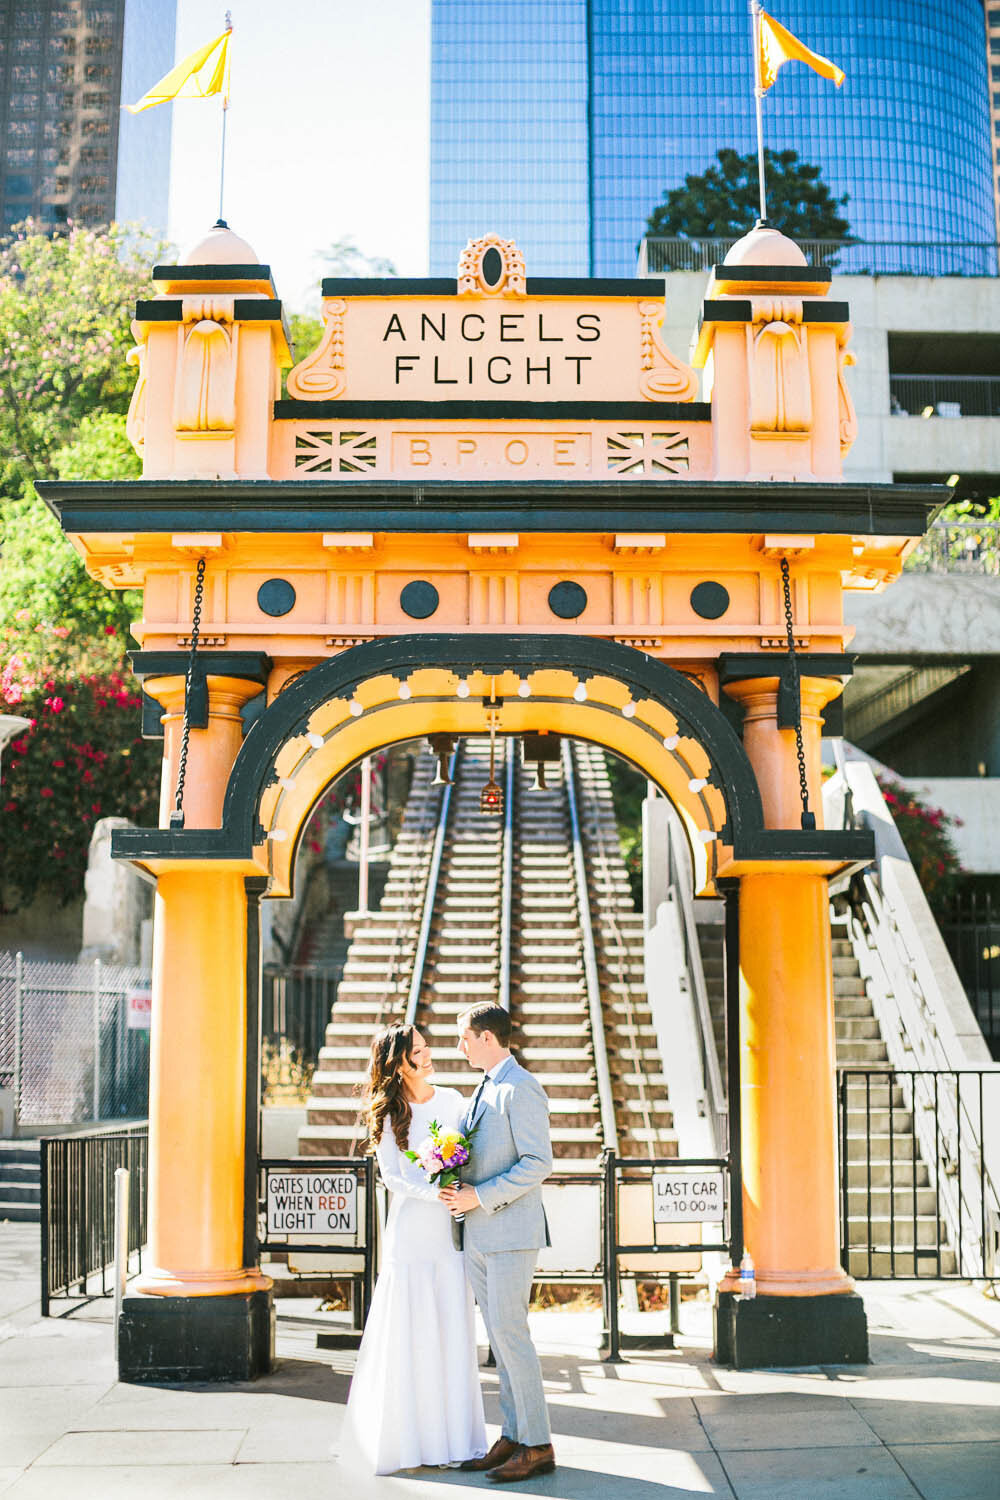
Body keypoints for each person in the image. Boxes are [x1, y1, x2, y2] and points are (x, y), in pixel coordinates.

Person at [337, 1023, 487, 1475]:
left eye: (425, 1047)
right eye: (416, 1051)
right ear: (398, 1064)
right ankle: (406, 1438)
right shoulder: (388, 1112)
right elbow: (391, 1176)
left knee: (448, 1322)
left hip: (448, 1230)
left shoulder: (453, 1100)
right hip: (410, 1228)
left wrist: (455, 1189)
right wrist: (432, 1193)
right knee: (410, 1325)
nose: (427, 1055)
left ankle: (455, 1438)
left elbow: (468, 1154)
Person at [440, 1002, 556, 1484]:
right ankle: (513, 1433)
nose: (459, 1046)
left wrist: (478, 1195)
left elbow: (538, 1163)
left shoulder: (522, 1088)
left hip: (508, 1233)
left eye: (464, 1037)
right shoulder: (485, 1086)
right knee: (500, 1340)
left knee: (512, 1336)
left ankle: (538, 1444)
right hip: (481, 1233)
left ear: (488, 1037)